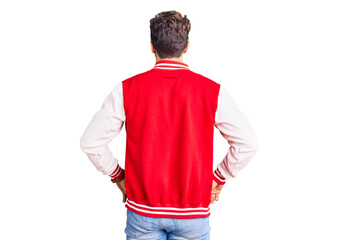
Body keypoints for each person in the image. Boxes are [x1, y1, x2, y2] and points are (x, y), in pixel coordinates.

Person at [80, 10, 259, 240]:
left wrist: (118, 177)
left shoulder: (127, 89)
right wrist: (218, 178)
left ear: (152, 47)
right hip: (192, 213)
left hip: (143, 212)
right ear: (186, 47)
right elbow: (248, 143)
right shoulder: (212, 91)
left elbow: (91, 142)